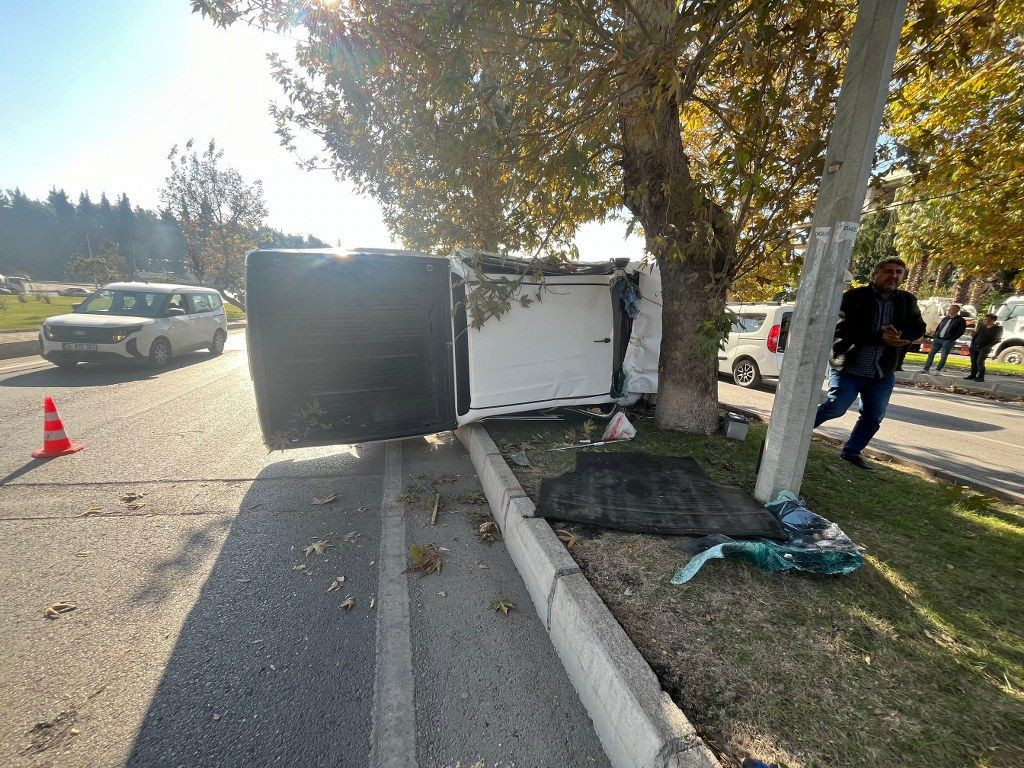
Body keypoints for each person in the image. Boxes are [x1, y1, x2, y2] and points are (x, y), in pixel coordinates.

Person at [814, 257, 925, 470]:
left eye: (899, 272)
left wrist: (903, 336)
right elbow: (841, 329)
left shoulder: (906, 301)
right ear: (876, 274)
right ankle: (796, 432)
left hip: (882, 371)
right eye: (888, 271)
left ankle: (852, 452)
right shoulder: (854, 297)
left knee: (874, 415)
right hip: (849, 366)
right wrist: (879, 338)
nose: (893, 276)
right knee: (836, 407)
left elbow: (918, 327)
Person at [922, 304, 967, 372]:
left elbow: (961, 331)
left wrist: (952, 338)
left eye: (951, 309)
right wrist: (936, 334)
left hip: (948, 340)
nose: (949, 310)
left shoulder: (960, 320)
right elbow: (939, 327)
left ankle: (938, 370)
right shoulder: (946, 318)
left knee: (943, 356)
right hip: (938, 338)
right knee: (931, 353)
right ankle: (926, 368)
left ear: (956, 310)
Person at [966, 313, 1002, 382]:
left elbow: (997, 340)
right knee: (973, 361)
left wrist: (988, 347)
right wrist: (972, 344)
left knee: (979, 361)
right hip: (975, 346)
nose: (985, 320)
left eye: (987, 319)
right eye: (985, 319)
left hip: (985, 348)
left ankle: (981, 376)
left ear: (992, 320)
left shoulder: (997, 329)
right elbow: (975, 336)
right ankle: (973, 375)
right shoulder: (982, 327)